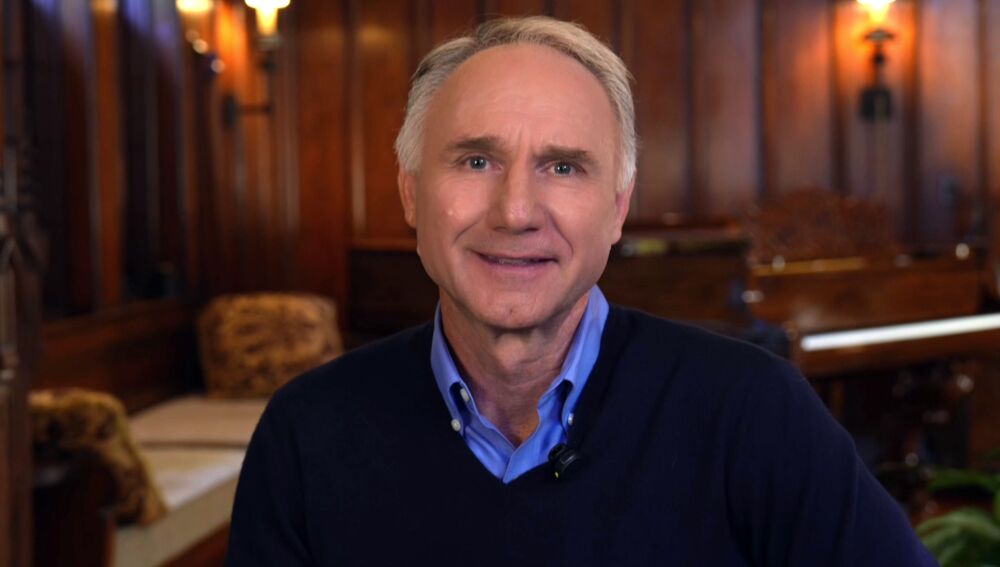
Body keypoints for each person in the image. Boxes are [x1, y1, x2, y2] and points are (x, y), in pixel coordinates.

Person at [226, 16, 937, 566]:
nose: (515, 211)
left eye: (563, 167)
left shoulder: (755, 410)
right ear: (411, 192)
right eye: (476, 160)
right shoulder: (305, 434)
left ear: (618, 208)